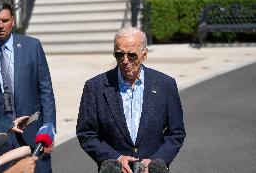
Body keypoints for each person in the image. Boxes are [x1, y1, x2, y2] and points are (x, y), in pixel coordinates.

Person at [76, 27, 186, 173]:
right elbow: (86, 134)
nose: (125, 61)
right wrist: (116, 158)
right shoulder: (95, 87)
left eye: (132, 55)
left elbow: (176, 133)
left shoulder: (165, 84)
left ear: (144, 54)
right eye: (119, 54)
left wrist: (156, 161)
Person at [0, 1, 56, 173]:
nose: (1, 26)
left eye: (5, 20)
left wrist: (49, 129)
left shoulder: (32, 46)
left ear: (13, 21)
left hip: (33, 134)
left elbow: (46, 91)